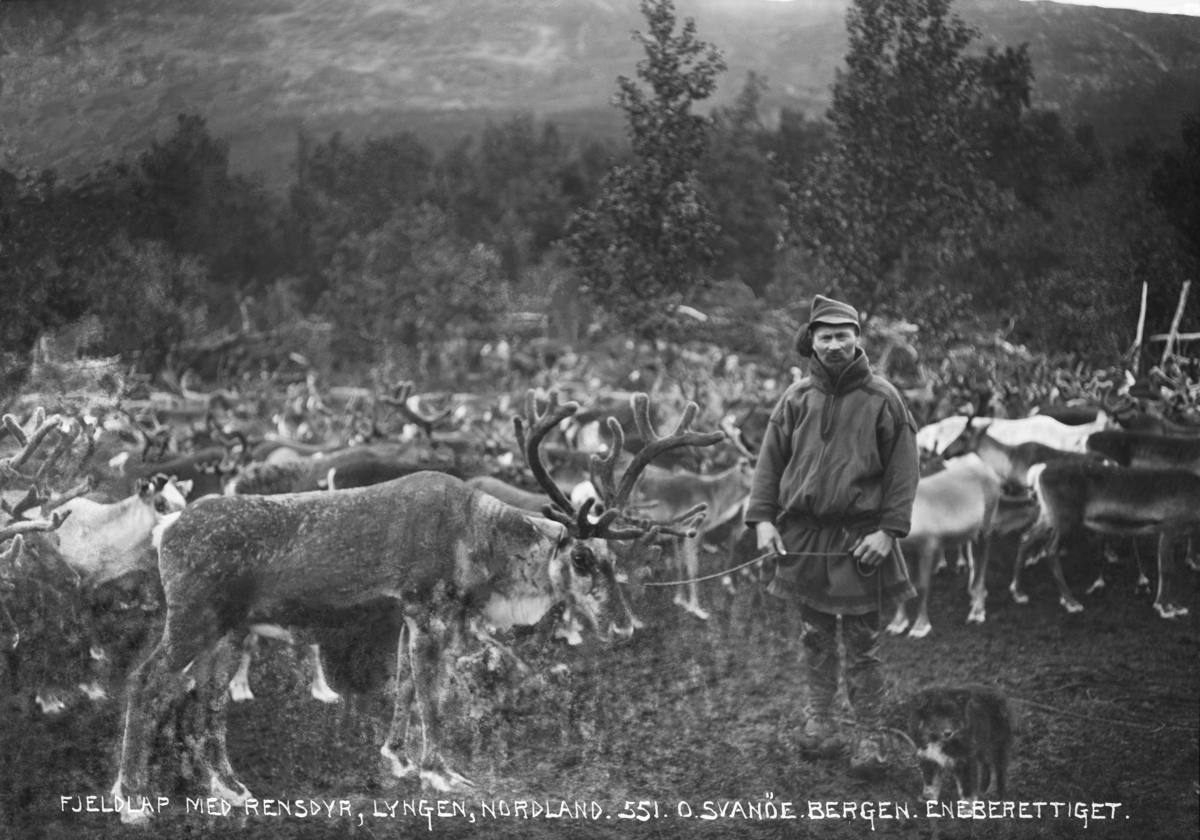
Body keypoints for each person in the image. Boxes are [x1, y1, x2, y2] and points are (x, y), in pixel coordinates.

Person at [744, 294, 919, 777]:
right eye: (826, 336)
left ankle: (869, 735)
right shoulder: (796, 398)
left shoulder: (884, 397)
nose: (836, 343)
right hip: (805, 537)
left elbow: (905, 471)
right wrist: (762, 520)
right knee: (813, 637)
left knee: (864, 645)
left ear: (858, 339)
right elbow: (769, 464)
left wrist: (888, 532)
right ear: (812, 343)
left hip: (863, 542)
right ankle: (820, 722)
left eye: (844, 335)